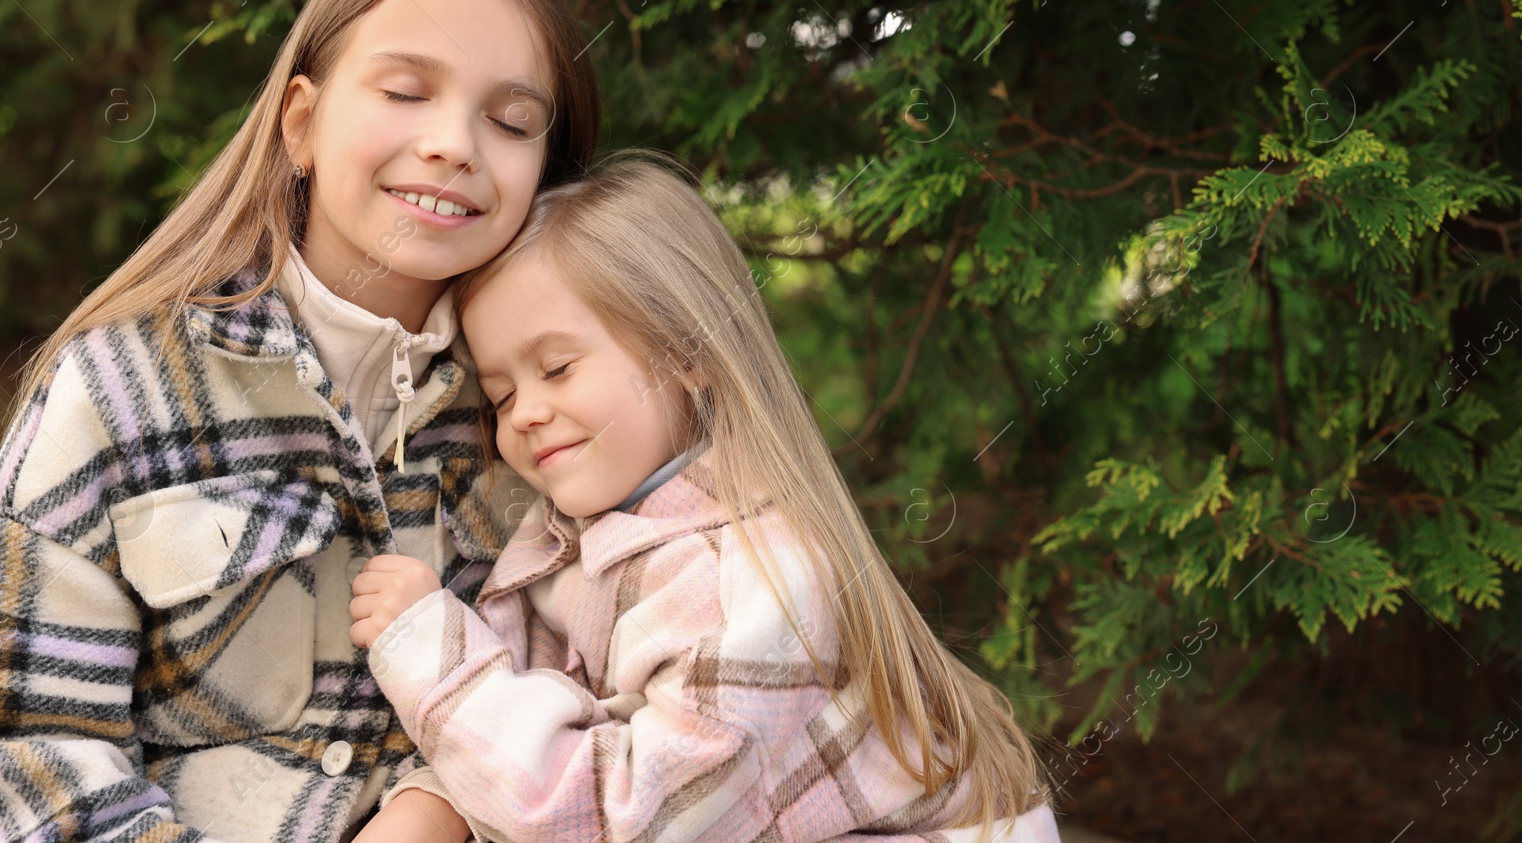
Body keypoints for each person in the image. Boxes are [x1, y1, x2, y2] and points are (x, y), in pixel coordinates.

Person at [0, 0, 599, 842]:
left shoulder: (551, 421)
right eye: (406, 91)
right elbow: (10, 737)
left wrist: (436, 805)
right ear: (303, 123)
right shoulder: (122, 386)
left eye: (511, 120)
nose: (454, 142)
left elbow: (609, 688)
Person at [348, 154, 1060, 843]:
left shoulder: (754, 584)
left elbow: (629, 821)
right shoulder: (574, 539)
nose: (525, 412)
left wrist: (431, 658)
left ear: (686, 353)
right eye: (501, 396)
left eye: (557, 367)